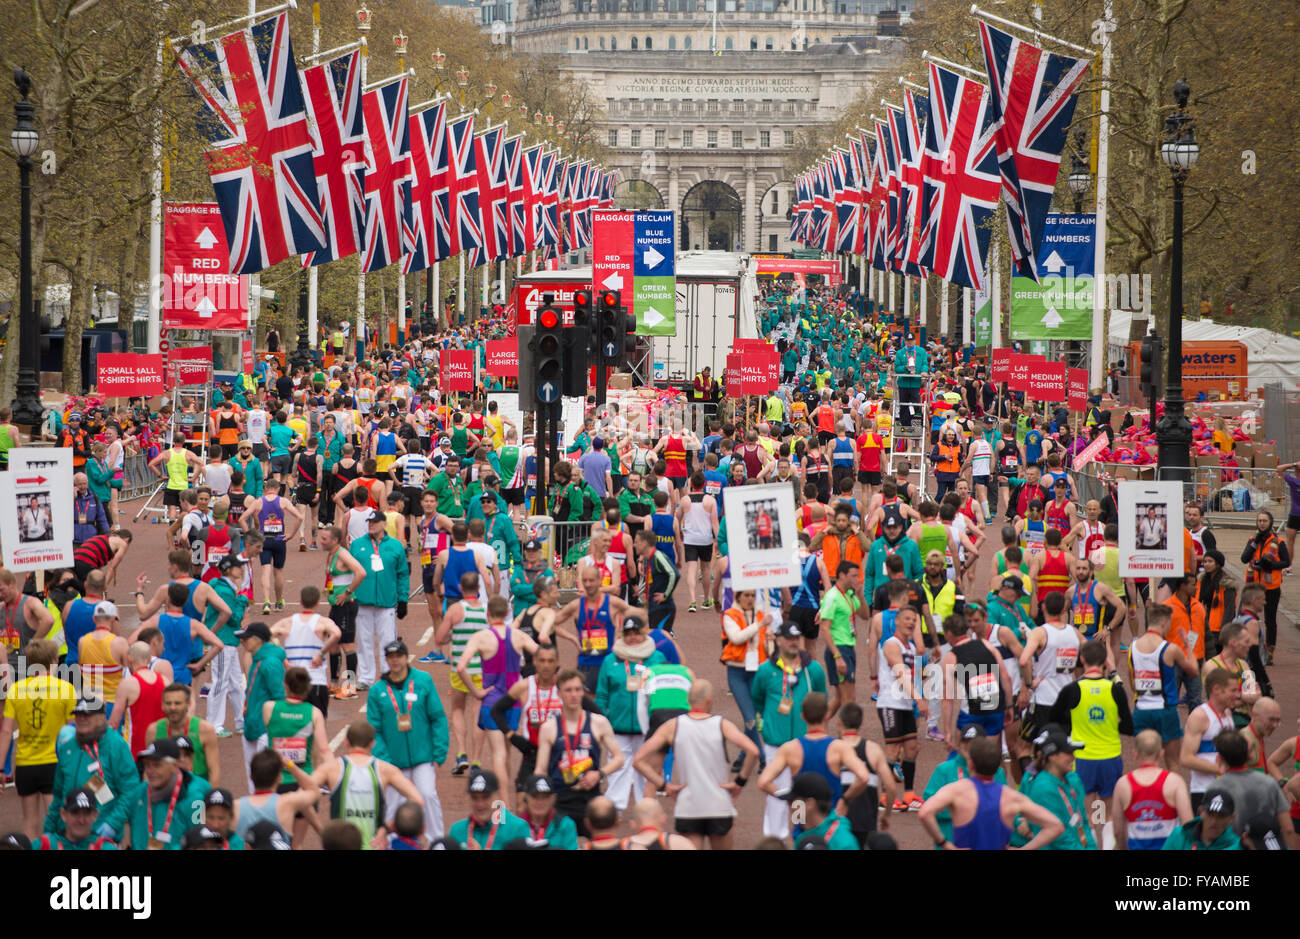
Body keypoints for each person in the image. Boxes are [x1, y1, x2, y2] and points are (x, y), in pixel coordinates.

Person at [632, 678, 758, 850]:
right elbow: (753, 751)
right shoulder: (722, 724)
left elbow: (638, 760)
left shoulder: (673, 726)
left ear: (688, 700)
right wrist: (739, 783)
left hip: (688, 805)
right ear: (710, 700)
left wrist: (664, 785)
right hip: (718, 804)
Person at [458, 594, 538, 810]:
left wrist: (476, 691)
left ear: (488, 614)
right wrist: (531, 680)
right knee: (507, 750)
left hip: (492, 701)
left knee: (498, 754)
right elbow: (541, 654)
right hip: (514, 702)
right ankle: (507, 801)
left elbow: (460, 666)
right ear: (507, 613)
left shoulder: (481, 637)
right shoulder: (518, 635)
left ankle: (503, 805)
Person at [1048, 639, 1134, 841]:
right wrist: (1110, 723)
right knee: (1108, 814)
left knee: (1088, 815)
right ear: (1105, 661)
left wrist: (1077, 722)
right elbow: (1129, 727)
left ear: (1082, 659)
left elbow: (1054, 717)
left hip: (1083, 758)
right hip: (1110, 757)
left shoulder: (1072, 690)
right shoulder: (1115, 690)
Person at [365, 639, 448, 841]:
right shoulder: (377, 690)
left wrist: (439, 752)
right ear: (386, 660)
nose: (395, 661)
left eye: (398, 656)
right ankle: (391, 842)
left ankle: (437, 840)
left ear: (405, 657)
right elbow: (374, 729)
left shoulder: (423, 681)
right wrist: (385, 759)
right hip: (393, 762)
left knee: (427, 795)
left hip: (423, 756)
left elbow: (437, 717)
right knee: (392, 803)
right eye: (391, 657)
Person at [920, 735, 1063, 850]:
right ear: (997, 768)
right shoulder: (1012, 797)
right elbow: (1056, 826)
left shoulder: (956, 790)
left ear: (971, 764)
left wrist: (944, 843)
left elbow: (925, 813)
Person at [533, 668, 623, 838]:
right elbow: (540, 769)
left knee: (601, 844)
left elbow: (619, 758)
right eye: (568, 690)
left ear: (583, 691)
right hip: (560, 798)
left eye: (577, 689)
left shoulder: (599, 722)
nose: (574, 695)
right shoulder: (549, 727)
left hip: (590, 798)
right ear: (559, 693)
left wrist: (600, 774)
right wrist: (537, 797)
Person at [0, 639, 77, 838]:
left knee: (29, 824)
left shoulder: (16, 690)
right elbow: (72, 731)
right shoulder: (66, 688)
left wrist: (0, 767)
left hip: (25, 765)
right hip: (55, 764)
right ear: (54, 660)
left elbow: (6, 732)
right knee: (57, 822)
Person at [312, 718, 424, 850]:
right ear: (372, 743)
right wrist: (388, 827)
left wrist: (320, 829)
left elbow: (304, 792)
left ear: (346, 741)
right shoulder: (386, 770)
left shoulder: (331, 768)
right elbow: (418, 800)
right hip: (373, 845)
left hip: (340, 845)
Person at [44, 696, 138, 836]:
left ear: (101, 718)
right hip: (67, 835)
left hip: (100, 836)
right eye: (78, 714)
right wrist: (49, 828)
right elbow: (58, 795)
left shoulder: (115, 746)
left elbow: (131, 790)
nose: (81, 718)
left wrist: (112, 824)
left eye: (87, 714)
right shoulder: (67, 748)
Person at [97, 738, 211, 850]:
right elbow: (120, 812)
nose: (150, 771)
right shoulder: (139, 792)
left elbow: (200, 842)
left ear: (174, 766)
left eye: (157, 765)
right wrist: (109, 826)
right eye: (147, 765)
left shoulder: (195, 800)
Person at [1129, 603, 1199, 771]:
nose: (1169, 629)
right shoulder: (1171, 649)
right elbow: (1194, 671)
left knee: (1144, 763)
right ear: (1163, 623)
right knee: (1172, 762)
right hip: (1165, 711)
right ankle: (1173, 796)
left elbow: (1132, 683)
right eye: (1169, 624)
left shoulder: (1133, 647)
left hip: (1141, 710)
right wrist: (1188, 645)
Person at [349, 509, 410, 691]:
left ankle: (388, 674)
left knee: (388, 640)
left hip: (387, 602)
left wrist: (403, 599)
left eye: (374, 522)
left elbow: (402, 574)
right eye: (369, 522)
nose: (371, 525)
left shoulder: (396, 546)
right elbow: (349, 572)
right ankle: (366, 677)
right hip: (362, 601)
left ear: (384, 524)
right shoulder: (357, 545)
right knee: (363, 640)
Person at [1204, 729, 1295, 847]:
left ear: (1220, 757)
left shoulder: (1215, 788)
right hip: (1264, 845)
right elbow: (1287, 828)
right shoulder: (1269, 783)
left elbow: (1208, 828)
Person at [1014, 725, 1097, 849]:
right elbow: (1060, 838)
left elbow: (1082, 821)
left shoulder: (1070, 780)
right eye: (1068, 753)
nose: (1073, 757)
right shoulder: (1044, 788)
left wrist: (1091, 847)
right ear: (1052, 756)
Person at [270, 586, 342, 716]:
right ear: (318, 603)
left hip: (293, 683)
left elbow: (267, 636)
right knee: (317, 725)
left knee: (294, 727)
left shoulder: (287, 622)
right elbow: (337, 634)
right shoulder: (323, 622)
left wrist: (284, 659)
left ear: (300, 602)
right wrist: (321, 654)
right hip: (316, 681)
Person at [1180, 668, 1239, 812]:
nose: (1237, 695)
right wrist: (1221, 769)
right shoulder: (1200, 716)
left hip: (1228, 788)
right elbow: (1186, 758)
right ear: (1217, 689)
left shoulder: (1228, 714)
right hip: (1204, 790)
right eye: (1232, 690)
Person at [233, 749, 320, 846]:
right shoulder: (287, 803)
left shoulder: (236, 806)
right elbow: (314, 791)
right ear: (279, 778)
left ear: (251, 777)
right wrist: (290, 764)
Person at [817, 560, 869, 722]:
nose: (857, 579)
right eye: (854, 576)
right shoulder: (832, 596)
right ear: (842, 575)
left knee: (840, 699)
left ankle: (817, 726)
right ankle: (846, 738)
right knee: (849, 700)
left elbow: (865, 615)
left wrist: (860, 594)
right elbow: (824, 628)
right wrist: (837, 656)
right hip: (839, 649)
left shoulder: (849, 594)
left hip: (847, 647)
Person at [243, 478, 304, 614]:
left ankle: (266, 601)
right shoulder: (283, 501)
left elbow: (243, 518)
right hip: (279, 540)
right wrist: (292, 534)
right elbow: (300, 517)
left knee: (265, 570)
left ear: (266, 489)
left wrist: (249, 535)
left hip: (264, 540)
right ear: (277, 489)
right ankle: (278, 601)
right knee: (278, 572)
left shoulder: (259, 502)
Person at [237, 622, 285, 789]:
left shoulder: (269, 663)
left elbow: (278, 697)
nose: (243, 642)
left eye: (246, 638)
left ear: (258, 640)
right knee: (253, 774)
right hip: (252, 723)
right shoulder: (259, 660)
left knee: (265, 776)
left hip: (264, 728)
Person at [144, 683, 220, 785]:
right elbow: (148, 768)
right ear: (162, 705)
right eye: (168, 703)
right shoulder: (153, 730)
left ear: (188, 704)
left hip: (197, 791)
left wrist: (209, 798)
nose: (172, 708)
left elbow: (214, 771)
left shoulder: (205, 730)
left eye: (177, 703)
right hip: (165, 790)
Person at [1241, 510, 1288, 664]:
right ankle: (1247, 648)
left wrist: (1270, 565)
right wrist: (1255, 542)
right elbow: (1244, 558)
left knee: (1270, 620)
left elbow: (1286, 562)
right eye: (1259, 521)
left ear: (1270, 523)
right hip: (1254, 586)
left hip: (1271, 586)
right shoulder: (1253, 539)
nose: (1261, 523)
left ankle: (1269, 652)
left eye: (1264, 521)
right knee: (1248, 617)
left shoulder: (1278, 541)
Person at [108, 642, 168, 758]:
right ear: (149, 659)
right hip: (160, 748)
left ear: (130, 658)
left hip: (134, 750)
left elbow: (114, 723)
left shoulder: (128, 684)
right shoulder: (165, 681)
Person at [784, 772, 861, 850]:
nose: (789, 805)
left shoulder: (843, 842)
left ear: (809, 804)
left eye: (792, 801)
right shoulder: (801, 836)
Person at [33, 788, 119, 851]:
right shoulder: (43, 845)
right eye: (75, 813)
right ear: (63, 814)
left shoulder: (105, 848)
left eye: (86, 813)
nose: (81, 820)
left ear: (95, 815)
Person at [514, 773, 579, 849]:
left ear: (553, 799)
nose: (540, 802)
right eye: (535, 797)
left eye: (545, 797)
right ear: (526, 798)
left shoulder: (566, 825)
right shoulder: (516, 826)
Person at [1161, 790, 1242, 850]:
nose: (1214, 821)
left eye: (1221, 816)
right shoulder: (1180, 835)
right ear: (1201, 812)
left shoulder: (1236, 845)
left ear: (1231, 818)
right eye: (1210, 814)